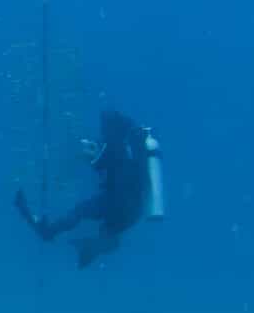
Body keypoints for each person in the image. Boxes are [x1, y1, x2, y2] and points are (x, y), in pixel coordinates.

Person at [17, 108, 154, 268]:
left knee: (80, 211)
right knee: (108, 229)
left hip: (117, 202)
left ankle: (49, 231)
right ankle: (96, 246)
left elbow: (99, 162)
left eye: (104, 127)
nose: (102, 131)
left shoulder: (115, 142)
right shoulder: (135, 144)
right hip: (134, 210)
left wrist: (87, 151)